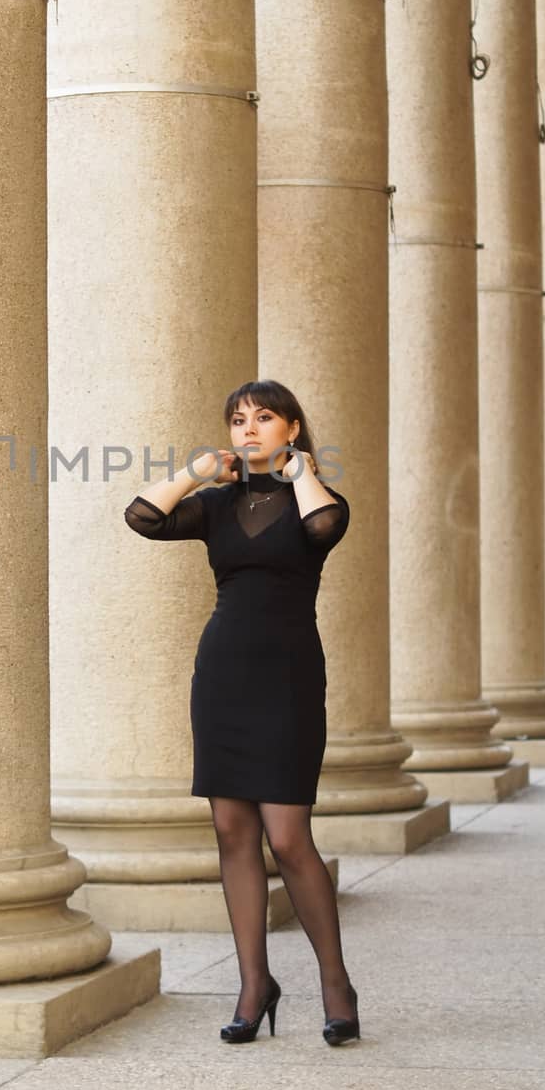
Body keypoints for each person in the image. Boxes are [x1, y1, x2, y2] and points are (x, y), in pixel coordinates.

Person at [123, 379, 359, 1047]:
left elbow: (321, 527)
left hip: (286, 677)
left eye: (263, 418)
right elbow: (142, 517)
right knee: (232, 829)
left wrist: (302, 469)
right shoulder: (217, 506)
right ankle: (253, 984)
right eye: (237, 420)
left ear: (290, 428)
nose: (247, 429)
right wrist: (195, 471)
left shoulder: (318, 498)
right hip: (222, 673)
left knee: (287, 837)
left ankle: (335, 984)